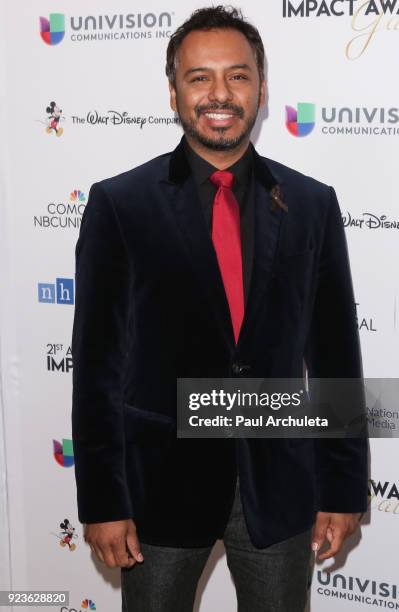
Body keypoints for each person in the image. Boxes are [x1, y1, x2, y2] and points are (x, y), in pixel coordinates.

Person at [71, 6, 368, 611]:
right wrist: (104, 501)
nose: (219, 94)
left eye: (237, 76)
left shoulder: (312, 204)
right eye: (199, 77)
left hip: (277, 488)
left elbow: (336, 354)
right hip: (159, 488)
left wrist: (341, 487)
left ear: (261, 88)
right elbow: (98, 368)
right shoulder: (120, 205)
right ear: (174, 91)